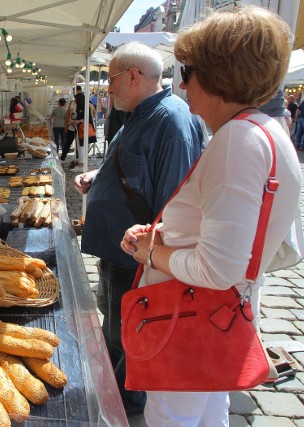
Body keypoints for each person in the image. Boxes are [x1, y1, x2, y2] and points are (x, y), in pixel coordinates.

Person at [120, 7, 302, 425]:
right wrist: (162, 233)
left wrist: (151, 254)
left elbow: (218, 267)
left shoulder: (238, 140)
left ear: (218, 74)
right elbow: (228, 230)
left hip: (187, 316)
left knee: (171, 416)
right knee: (208, 411)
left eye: (188, 70)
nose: (182, 83)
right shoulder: (267, 131)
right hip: (217, 316)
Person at [73, 42, 204, 415]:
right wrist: (98, 177)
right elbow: (136, 168)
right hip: (119, 252)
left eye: (111, 79)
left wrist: (153, 256)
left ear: (133, 76)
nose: (108, 88)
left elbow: (173, 202)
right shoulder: (140, 113)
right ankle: (113, 390)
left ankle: (123, 404)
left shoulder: (172, 121)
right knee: (115, 327)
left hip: (136, 257)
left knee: (127, 333)